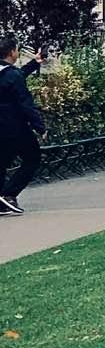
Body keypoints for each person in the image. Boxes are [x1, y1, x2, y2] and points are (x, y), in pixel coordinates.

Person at [0, 35, 45, 215]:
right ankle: (9, 194)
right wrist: (40, 127)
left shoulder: (8, 74)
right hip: (15, 127)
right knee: (33, 158)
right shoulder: (12, 75)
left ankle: (2, 201)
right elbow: (26, 104)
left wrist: (34, 63)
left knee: (1, 163)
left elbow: (13, 78)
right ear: (12, 52)